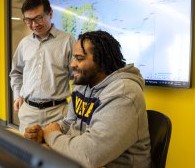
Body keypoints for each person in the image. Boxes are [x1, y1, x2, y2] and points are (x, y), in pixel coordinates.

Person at [24, 30, 151, 167]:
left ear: (102, 62)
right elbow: (69, 123)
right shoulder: (83, 84)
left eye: (79, 58)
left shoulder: (124, 93)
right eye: (73, 57)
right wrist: (43, 133)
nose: (72, 64)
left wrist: (51, 135)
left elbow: (89, 155)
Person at [10, 0, 76, 132]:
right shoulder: (24, 44)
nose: (34, 24)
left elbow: (79, 78)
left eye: (38, 18)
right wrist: (17, 95)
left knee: (54, 153)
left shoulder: (67, 41)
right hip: (28, 113)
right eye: (28, 20)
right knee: (25, 152)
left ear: (50, 13)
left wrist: (73, 108)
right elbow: (16, 72)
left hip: (58, 114)